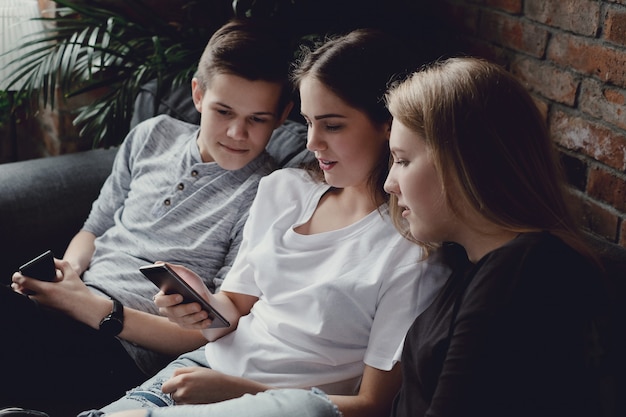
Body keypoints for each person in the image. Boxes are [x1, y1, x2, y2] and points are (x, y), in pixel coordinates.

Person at [78, 28, 447, 417]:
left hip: (273, 404)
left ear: (389, 125)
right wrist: (199, 307)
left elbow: (372, 405)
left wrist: (237, 392)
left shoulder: (410, 249)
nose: (311, 143)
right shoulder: (285, 191)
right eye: (307, 122)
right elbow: (233, 311)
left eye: (332, 125)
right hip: (198, 371)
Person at [2, 18, 294, 416]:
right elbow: (95, 227)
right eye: (223, 111)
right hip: (68, 307)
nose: (237, 133)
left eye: (257, 119)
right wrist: (65, 277)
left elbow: (216, 328)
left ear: (282, 117)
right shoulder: (152, 134)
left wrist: (90, 308)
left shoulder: (268, 193)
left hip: (120, 350)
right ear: (197, 94)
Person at [382, 57, 608, 417]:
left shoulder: (522, 272)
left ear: (462, 162)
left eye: (403, 160)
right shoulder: (479, 263)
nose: (389, 184)